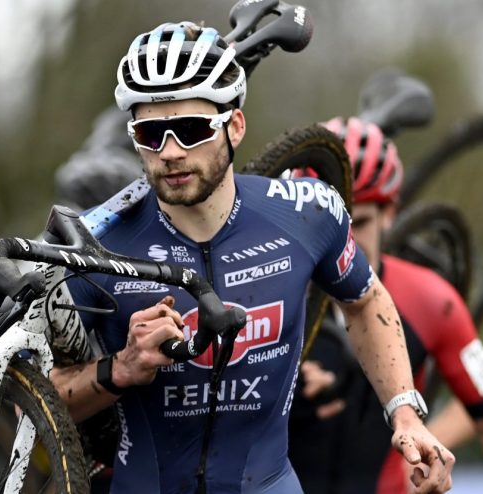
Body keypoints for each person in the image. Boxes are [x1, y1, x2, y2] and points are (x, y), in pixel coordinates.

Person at [48, 21, 455, 494]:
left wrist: (405, 413)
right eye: (150, 133)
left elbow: (365, 300)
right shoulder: (94, 243)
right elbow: (33, 401)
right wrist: (118, 368)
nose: (171, 151)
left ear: (235, 127)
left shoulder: (306, 212)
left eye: (192, 129)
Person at [287, 116, 483, 494]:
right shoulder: (269, 288)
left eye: (360, 221)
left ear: (389, 213)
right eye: (329, 223)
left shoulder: (430, 300)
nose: (344, 240)